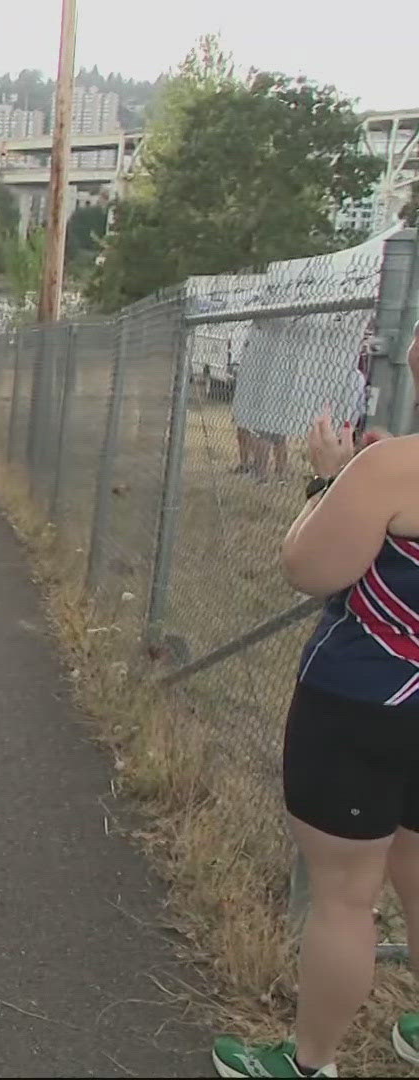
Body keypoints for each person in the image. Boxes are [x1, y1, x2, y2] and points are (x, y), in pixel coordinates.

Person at [211, 325, 419, 1078]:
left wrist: (337, 478)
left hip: (363, 707)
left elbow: (310, 567)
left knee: (344, 898)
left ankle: (309, 1065)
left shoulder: (392, 470)